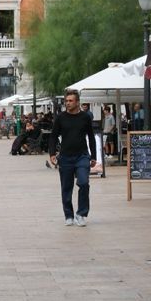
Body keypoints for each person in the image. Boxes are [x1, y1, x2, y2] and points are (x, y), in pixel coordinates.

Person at [49, 90, 102, 226]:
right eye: (66, 101)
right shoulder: (60, 117)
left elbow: (91, 137)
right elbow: (53, 136)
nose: (67, 103)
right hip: (65, 157)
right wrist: (52, 154)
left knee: (83, 183)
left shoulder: (85, 117)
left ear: (77, 102)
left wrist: (94, 156)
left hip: (82, 156)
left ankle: (81, 214)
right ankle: (68, 215)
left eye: (70, 101)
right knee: (66, 188)